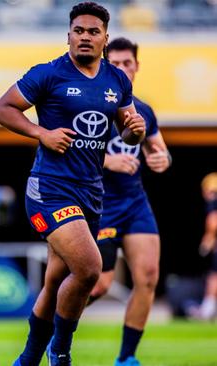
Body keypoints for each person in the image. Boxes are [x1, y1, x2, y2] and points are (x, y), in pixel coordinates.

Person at [0, 3, 146, 365]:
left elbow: (127, 126)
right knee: (90, 268)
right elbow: (3, 109)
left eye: (93, 32)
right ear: (68, 36)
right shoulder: (48, 74)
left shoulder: (117, 80)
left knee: (55, 280)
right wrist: (40, 132)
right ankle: (60, 350)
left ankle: (28, 358)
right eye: (79, 30)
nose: (85, 37)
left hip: (90, 192)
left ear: (105, 38)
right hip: (49, 189)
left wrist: (133, 132)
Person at [87, 37, 171, 366]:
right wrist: (107, 160)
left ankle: (126, 357)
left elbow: (157, 149)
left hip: (135, 203)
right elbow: (64, 150)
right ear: (106, 65)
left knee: (148, 276)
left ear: (137, 67)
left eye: (128, 63)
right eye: (116, 63)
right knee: (98, 284)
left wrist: (162, 159)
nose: (122, 69)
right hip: (99, 203)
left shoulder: (144, 109)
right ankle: (55, 330)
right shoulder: (92, 104)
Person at [191, 172, 217, 320]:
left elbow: (213, 221)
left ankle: (207, 309)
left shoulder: (213, 199)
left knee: (214, 275)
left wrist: (208, 240)